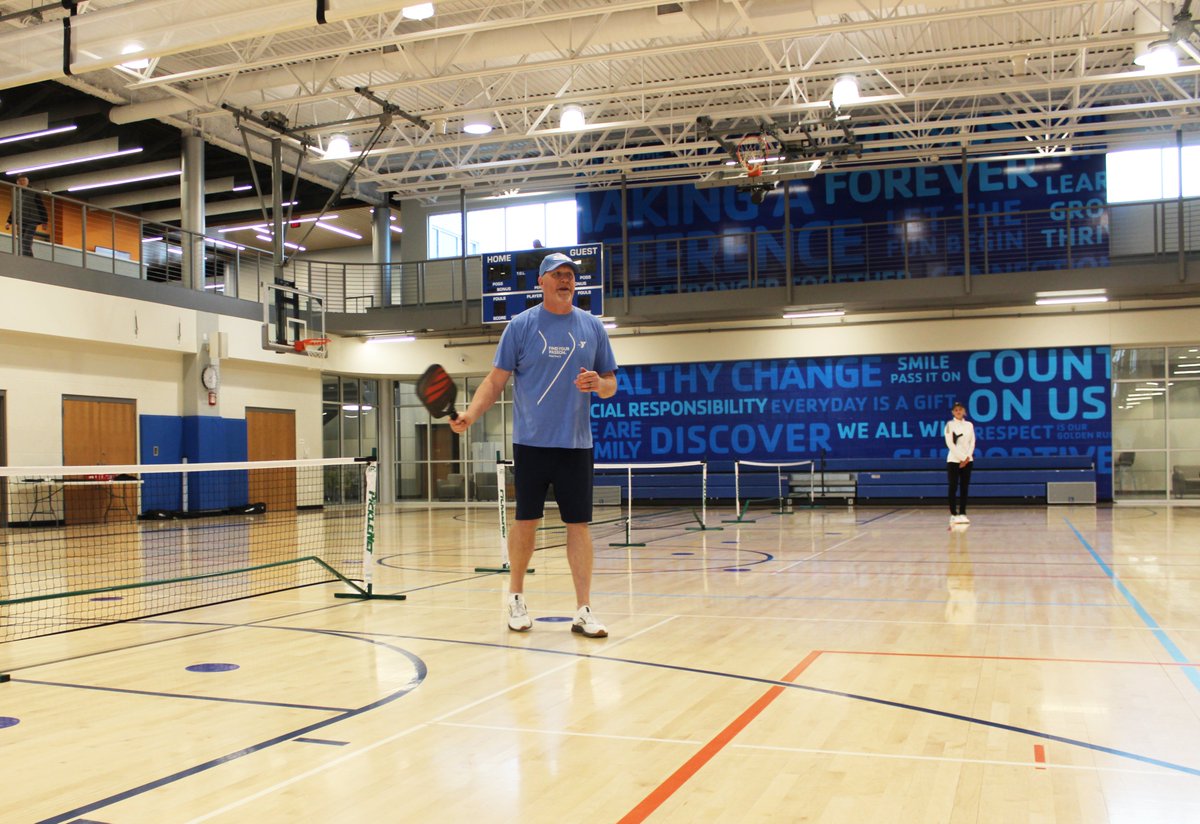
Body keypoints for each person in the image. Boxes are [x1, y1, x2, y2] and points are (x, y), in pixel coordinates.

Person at [450, 252, 617, 637]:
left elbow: (611, 385)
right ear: (541, 282)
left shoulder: (592, 328)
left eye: (571, 275)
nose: (566, 281)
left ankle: (584, 609)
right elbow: (495, 382)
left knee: (579, 525)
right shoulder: (520, 327)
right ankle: (516, 598)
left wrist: (599, 383)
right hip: (532, 444)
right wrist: (471, 415)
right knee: (527, 520)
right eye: (557, 275)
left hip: (576, 444)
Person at [944, 401, 975, 525]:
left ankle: (963, 513)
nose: (958, 412)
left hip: (968, 460)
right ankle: (953, 514)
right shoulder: (949, 425)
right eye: (956, 410)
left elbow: (972, 442)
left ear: (964, 411)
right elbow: (950, 443)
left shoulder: (969, 425)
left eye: (960, 409)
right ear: (953, 412)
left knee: (964, 487)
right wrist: (961, 458)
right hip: (954, 460)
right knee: (953, 486)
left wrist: (967, 457)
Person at [6, 176, 48, 257]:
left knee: (26, 241)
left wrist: (44, 221)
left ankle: (21, 258)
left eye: (24, 181)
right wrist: (9, 221)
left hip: (32, 221)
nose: (22, 182)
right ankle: (29, 259)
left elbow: (41, 206)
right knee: (21, 241)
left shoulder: (33, 192)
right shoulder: (16, 193)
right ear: (17, 182)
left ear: (27, 182)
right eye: (20, 181)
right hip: (20, 221)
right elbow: (15, 208)